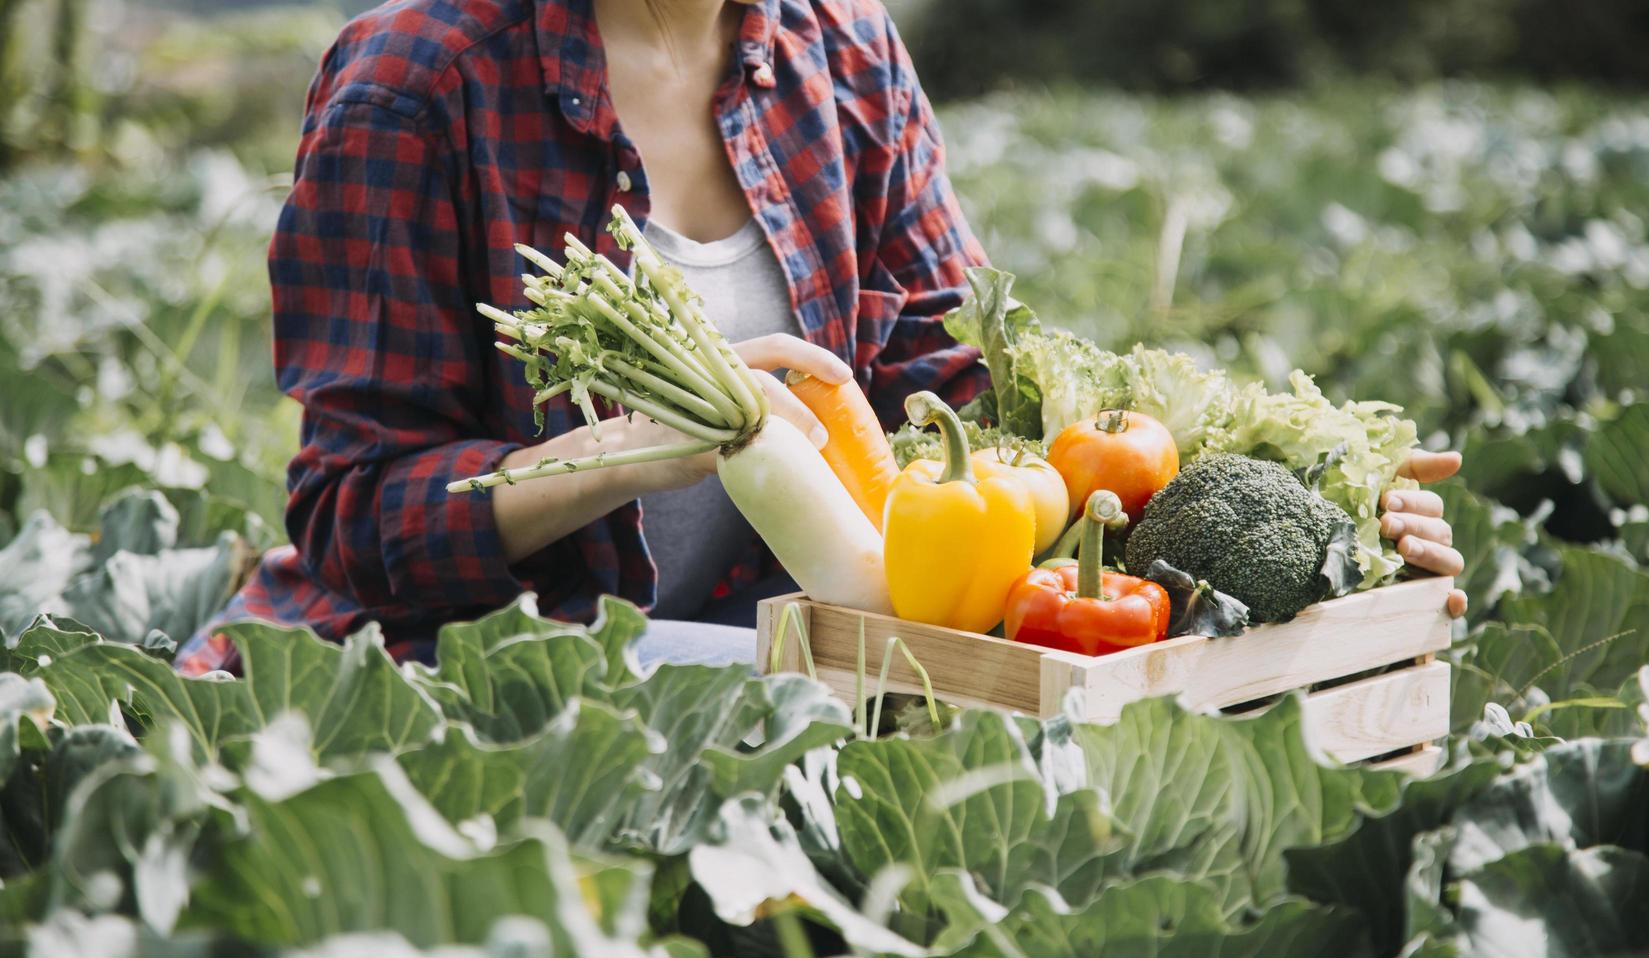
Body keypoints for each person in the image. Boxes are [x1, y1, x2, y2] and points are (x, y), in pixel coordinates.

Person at [176, 0, 1466, 675]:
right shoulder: (416, 83)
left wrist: (1310, 518)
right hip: (474, 687)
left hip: (789, 676)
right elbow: (353, 517)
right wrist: (618, 458)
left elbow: (971, 418)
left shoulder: (841, 51)